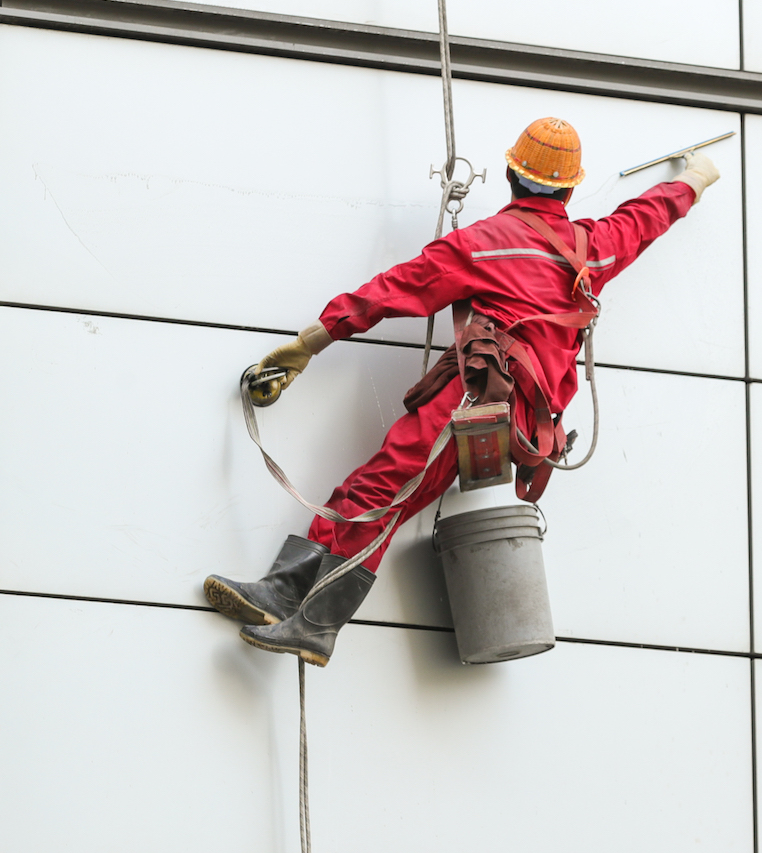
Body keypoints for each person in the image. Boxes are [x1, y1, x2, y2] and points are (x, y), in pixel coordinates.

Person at [204, 117, 719, 666]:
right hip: (522, 423)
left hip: (475, 402)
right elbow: (647, 216)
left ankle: (315, 624)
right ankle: (285, 592)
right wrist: (696, 175)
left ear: (509, 175)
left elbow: (391, 291)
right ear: (570, 189)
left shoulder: (483, 244)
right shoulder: (594, 247)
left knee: (380, 493)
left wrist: (309, 344)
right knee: (372, 492)